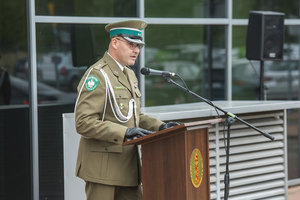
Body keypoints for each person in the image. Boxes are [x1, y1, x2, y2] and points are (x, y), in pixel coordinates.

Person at [74, 20, 180, 200]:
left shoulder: (129, 74)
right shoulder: (98, 75)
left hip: (128, 169)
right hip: (103, 170)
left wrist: (160, 127)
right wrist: (125, 132)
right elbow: (83, 123)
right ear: (115, 43)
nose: (136, 50)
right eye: (131, 44)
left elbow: (134, 116)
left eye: (139, 46)